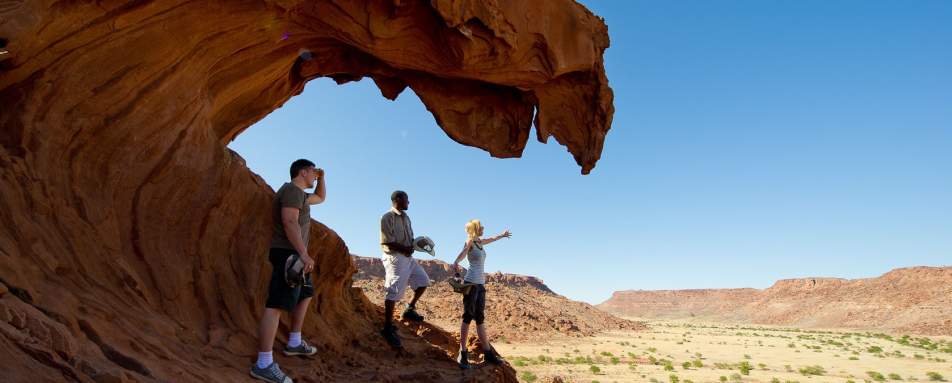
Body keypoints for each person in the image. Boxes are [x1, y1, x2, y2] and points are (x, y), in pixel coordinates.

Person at [250, 159, 326, 383]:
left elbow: (321, 198)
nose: (314, 175)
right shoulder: (292, 190)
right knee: (276, 306)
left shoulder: (302, 195)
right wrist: (303, 254)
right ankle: (263, 364)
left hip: (296, 257)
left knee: (306, 294)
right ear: (303, 172)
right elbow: (289, 221)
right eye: (313, 171)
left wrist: (322, 178)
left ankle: (294, 342)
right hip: (289, 255)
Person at [451, 220, 511, 369]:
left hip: (481, 285)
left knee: (480, 319)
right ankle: (462, 352)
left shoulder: (480, 242)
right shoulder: (470, 241)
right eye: (481, 226)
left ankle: (488, 353)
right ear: (476, 228)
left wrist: (502, 235)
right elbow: (464, 252)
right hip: (471, 283)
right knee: (467, 318)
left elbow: (492, 239)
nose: (483, 227)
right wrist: (456, 261)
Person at [379, 190, 430, 347]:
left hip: (407, 256)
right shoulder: (387, 217)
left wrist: (417, 244)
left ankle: (409, 308)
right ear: (398, 199)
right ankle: (387, 327)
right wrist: (405, 249)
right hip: (395, 257)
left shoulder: (406, 217)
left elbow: (409, 238)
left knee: (423, 281)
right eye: (407, 199)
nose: (409, 202)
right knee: (394, 290)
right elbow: (386, 242)